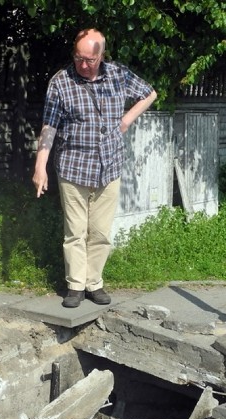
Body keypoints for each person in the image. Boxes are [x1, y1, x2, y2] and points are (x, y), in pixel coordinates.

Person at [33, 28, 157, 308]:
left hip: (109, 166)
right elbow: (49, 126)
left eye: (89, 59)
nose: (83, 65)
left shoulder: (118, 75)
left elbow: (149, 94)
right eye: (78, 58)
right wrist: (40, 167)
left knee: (100, 231)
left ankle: (94, 283)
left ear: (101, 55)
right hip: (73, 167)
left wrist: (126, 120)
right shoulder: (61, 82)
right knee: (75, 230)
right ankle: (75, 285)